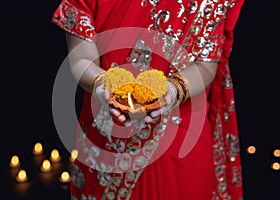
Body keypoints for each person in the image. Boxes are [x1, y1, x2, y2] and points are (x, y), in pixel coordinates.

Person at [52, 0, 245, 199]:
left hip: (182, 138)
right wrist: (104, 86)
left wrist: (173, 90)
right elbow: (82, 59)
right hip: (108, 141)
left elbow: (205, 65)